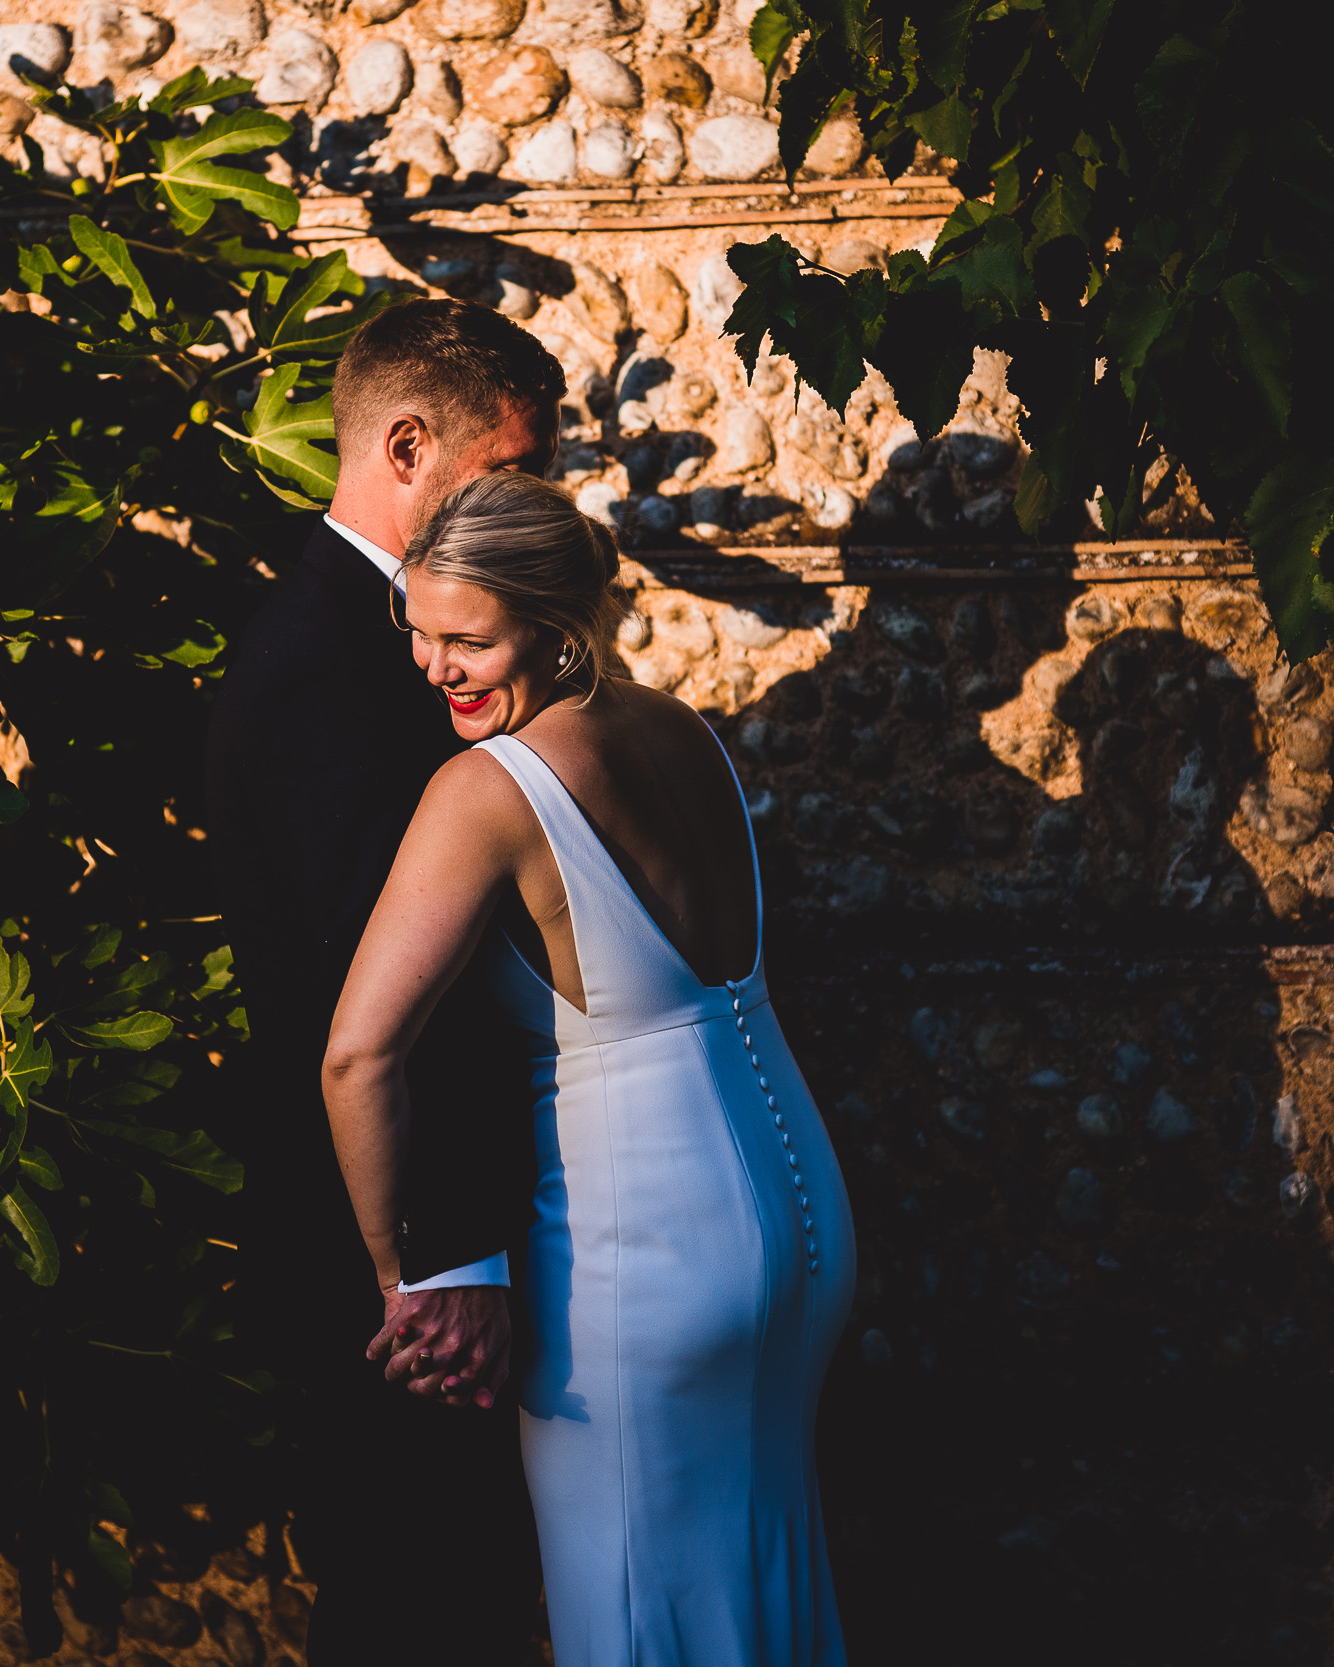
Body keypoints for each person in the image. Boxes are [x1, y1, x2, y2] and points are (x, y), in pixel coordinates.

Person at [322, 471, 856, 1665]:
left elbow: (359, 1053)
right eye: (417, 632)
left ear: (557, 630)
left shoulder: (485, 791)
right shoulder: (686, 734)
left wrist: (401, 1273)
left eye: (469, 638)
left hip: (643, 1254)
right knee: (757, 1579)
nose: (436, 668)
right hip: (801, 1216)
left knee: (629, 1611)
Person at [203, 299, 563, 1661]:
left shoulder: (381, 637)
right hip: (393, 1264)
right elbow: (376, 1010)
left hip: (417, 1245)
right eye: (509, 469)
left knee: (453, 1595)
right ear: (407, 444)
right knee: (420, 1601)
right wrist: (445, 1256)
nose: (530, 504)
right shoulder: (326, 670)